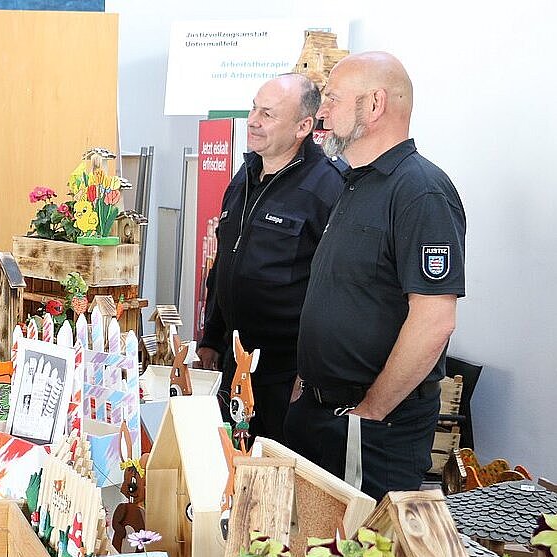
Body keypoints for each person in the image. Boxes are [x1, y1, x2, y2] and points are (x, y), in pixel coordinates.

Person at [284, 52, 466, 501]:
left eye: (333, 99)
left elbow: (434, 321)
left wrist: (369, 412)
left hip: (370, 429)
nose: (321, 111)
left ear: (375, 104)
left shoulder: (421, 191)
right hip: (318, 411)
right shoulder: (355, 182)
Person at [196, 73, 345, 442]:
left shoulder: (329, 188)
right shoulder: (243, 177)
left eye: (268, 113)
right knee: (233, 472)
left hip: (287, 378)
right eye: (253, 108)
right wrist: (211, 337)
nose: (252, 120)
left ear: (303, 126)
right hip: (236, 364)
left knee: (276, 482)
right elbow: (225, 265)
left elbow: (335, 292)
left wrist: (308, 374)